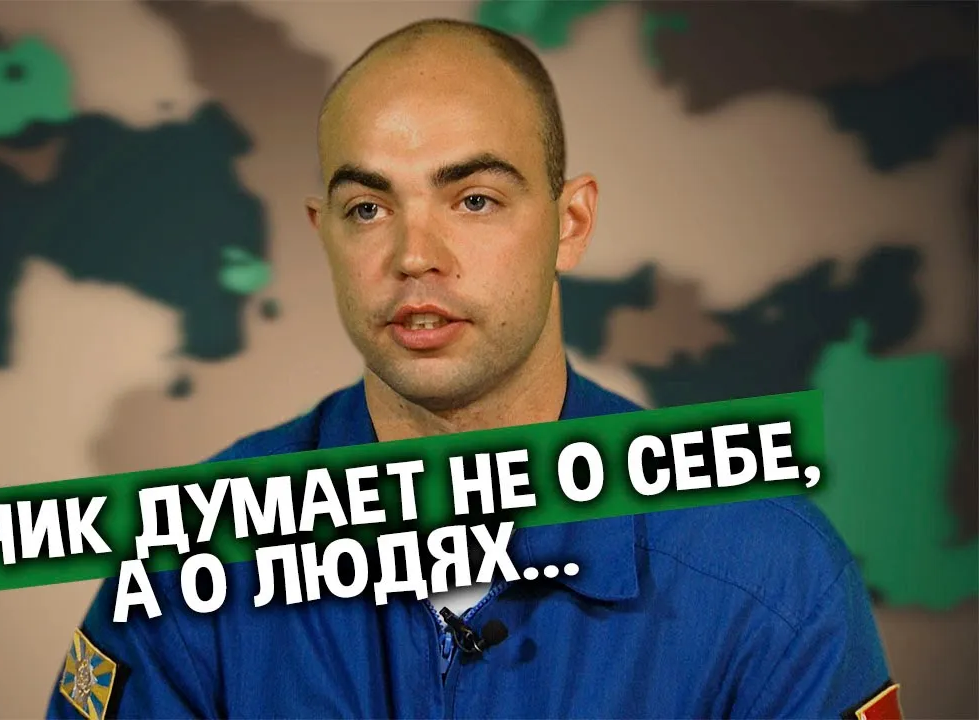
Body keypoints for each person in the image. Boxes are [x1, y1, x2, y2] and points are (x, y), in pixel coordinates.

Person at [47, 18, 897, 719]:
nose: (414, 255)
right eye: (367, 208)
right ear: (323, 234)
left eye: (475, 200)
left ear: (570, 223)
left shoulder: (772, 574)